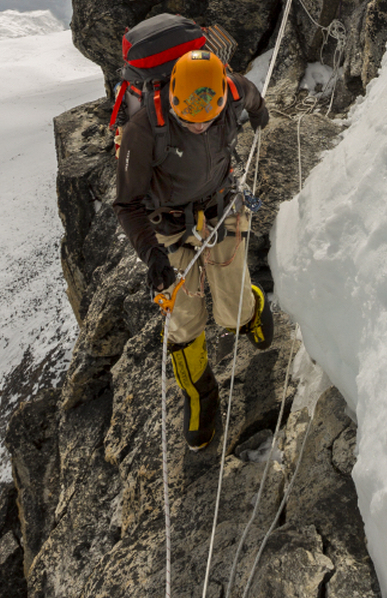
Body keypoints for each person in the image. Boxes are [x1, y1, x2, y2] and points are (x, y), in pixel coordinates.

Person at [113, 47, 273, 450]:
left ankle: (250, 309)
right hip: (166, 227)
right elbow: (128, 204)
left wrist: (259, 115)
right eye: (188, 121)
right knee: (183, 321)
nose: (199, 127)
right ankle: (200, 393)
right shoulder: (142, 131)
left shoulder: (230, 90)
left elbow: (250, 94)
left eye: (207, 120)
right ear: (171, 102)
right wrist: (152, 257)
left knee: (232, 312)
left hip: (221, 206)